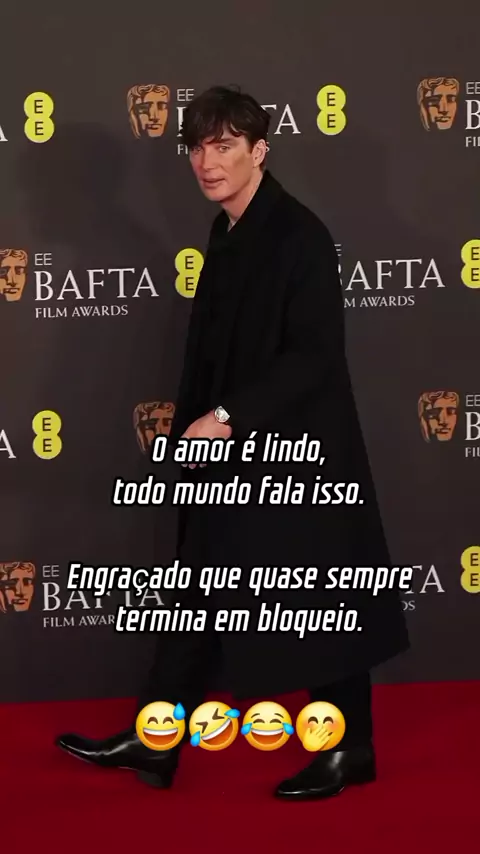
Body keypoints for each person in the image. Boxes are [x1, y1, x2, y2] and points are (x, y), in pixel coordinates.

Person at [56, 85, 409, 800]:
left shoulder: (299, 236)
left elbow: (313, 357)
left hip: (299, 456)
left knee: (322, 594)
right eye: (196, 148)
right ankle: (157, 739)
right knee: (197, 587)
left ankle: (351, 749)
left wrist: (223, 416)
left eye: (223, 146)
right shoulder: (227, 230)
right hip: (236, 454)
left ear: (260, 150)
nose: (206, 162)